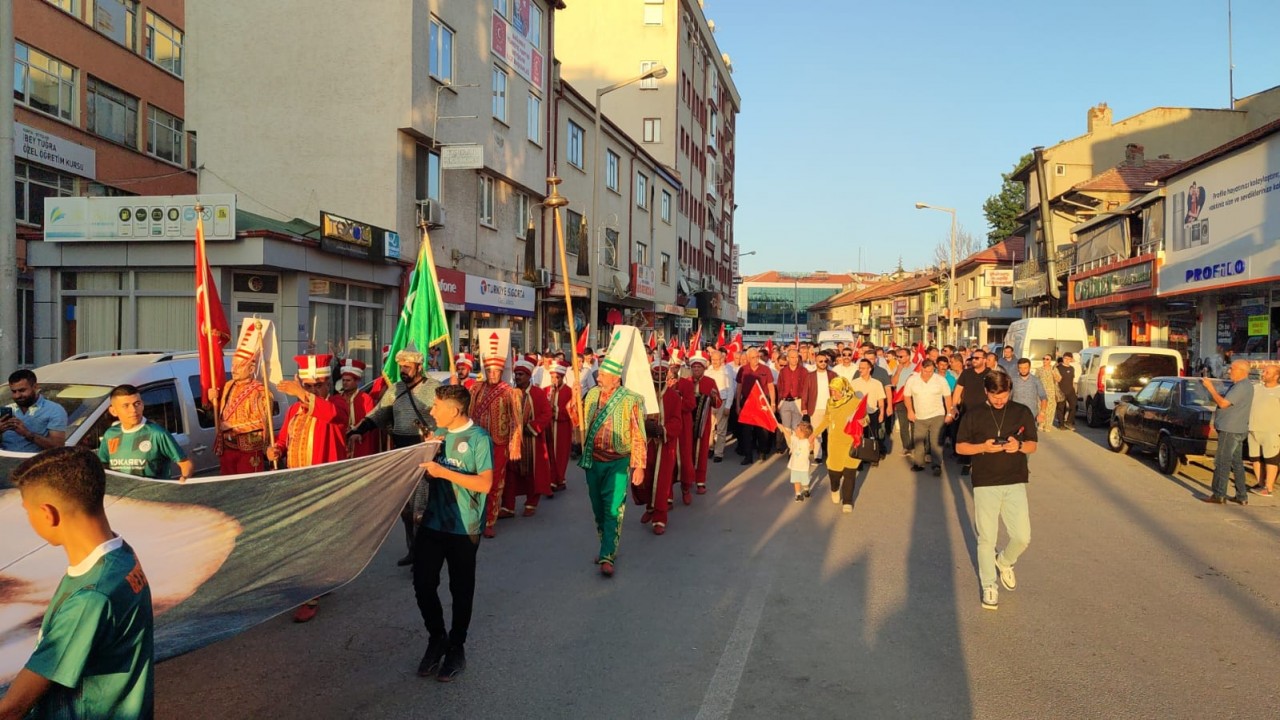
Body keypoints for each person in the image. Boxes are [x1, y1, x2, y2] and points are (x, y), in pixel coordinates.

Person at [0, 447, 154, 719]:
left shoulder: (90, 598)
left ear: (48, 514)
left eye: (27, 511)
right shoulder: (121, 553)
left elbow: (13, 708)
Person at [413, 384, 494, 683]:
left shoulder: (479, 439)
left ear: (455, 410)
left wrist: (444, 471)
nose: (431, 410)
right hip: (432, 523)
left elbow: (485, 484)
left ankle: (456, 647)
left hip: (464, 528)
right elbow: (426, 474)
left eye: (437, 406)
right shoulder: (439, 435)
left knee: (460, 590)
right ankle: (437, 638)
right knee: (423, 584)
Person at [268, 355, 348, 622]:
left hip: (324, 485)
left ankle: (310, 596)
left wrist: (301, 393)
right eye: (308, 386)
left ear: (329, 385)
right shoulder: (294, 410)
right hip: (297, 484)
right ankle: (320, 581)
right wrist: (276, 449)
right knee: (303, 538)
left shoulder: (337, 404)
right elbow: (284, 439)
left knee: (313, 539)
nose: (313, 390)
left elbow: (332, 416)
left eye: (319, 385)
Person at [349, 345, 440, 566]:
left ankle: (424, 556)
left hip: (424, 452)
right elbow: (379, 414)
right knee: (406, 509)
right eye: (401, 366)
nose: (403, 370)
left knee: (420, 508)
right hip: (401, 453)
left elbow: (446, 418)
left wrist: (438, 435)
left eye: (407, 366)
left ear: (419, 366)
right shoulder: (396, 390)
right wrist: (359, 430)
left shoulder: (434, 389)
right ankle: (413, 550)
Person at [955, 370, 1038, 611]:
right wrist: (982, 447)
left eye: (1003, 396)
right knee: (987, 539)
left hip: (1015, 480)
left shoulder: (1022, 412)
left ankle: (1004, 561)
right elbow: (960, 447)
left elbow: (1033, 445)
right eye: (994, 396)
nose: (999, 400)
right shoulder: (974, 414)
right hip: (985, 482)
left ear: (1009, 391)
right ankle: (989, 585)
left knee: (1022, 537)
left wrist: (1018, 445)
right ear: (986, 392)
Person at [574, 338, 647, 577]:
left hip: (618, 462)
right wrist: (574, 400)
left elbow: (638, 435)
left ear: (616, 378)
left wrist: (639, 466)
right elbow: (579, 425)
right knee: (598, 508)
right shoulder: (592, 395)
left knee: (613, 508)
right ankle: (606, 546)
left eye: (603, 375)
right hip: (593, 461)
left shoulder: (631, 399)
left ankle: (607, 555)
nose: (599, 377)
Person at [469, 330, 522, 538]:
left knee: (494, 482)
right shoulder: (476, 389)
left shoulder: (509, 392)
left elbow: (516, 420)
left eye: (496, 371)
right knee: (475, 480)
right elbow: (467, 411)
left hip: (499, 443)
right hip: (477, 442)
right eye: (489, 371)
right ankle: (474, 517)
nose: (493, 374)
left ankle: (490, 520)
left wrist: (514, 444)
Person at [97, 384, 193, 481]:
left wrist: (184, 478)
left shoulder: (157, 433)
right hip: (122, 490)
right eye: (126, 406)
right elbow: (102, 465)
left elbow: (186, 464)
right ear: (113, 411)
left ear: (142, 405)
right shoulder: (111, 434)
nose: (133, 410)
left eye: (137, 404)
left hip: (152, 490)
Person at [1200, 360, 1254, 505]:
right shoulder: (1243, 385)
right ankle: (1241, 495)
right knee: (1236, 462)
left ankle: (1219, 494)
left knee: (1222, 461)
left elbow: (1223, 403)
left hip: (1230, 429)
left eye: (1232, 369)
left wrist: (1211, 388)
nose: (1229, 371)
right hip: (1237, 428)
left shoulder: (1241, 386)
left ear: (1241, 371)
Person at [503, 359, 552, 517]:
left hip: (532, 441)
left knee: (532, 473)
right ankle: (508, 506)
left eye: (521, 374)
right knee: (511, 472)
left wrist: (531, 427)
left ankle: (531, 503)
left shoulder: (538, 393)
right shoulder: (510, 393)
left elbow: (547, 414)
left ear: (529, 376)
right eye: (516, 374)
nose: (517, 377)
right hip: (513, 440)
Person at [636, 360, 681, 535]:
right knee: (645, 479)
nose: (659, 377)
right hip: (645, 443)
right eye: (656, 374)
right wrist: (644, 424)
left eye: (663, 374)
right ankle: (650, 507)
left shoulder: (673, 396)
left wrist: (662, 429)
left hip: (665, 445)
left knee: (662, 481)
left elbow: (677, 421)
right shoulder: (642, 395)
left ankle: (660, 518)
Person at [811, 376, 863, 513]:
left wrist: (863, 421)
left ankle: (847, 501)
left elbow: (865, 419)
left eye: (835, 390)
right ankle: (834, 488)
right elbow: (826, 419)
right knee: (834, 473)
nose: (833, 393)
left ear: (843, 390)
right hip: (835, 443)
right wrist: (814, 434)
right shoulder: (830, 402)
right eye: (831, 390)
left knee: (850, 473)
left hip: (852, 442)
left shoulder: (855, 402)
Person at [215, 352, 272, 474]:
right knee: (227, 483)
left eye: (239, 366)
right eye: (232, 365)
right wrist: (213, 399)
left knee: (247, 483)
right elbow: (222, 413)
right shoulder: (228, 386)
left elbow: (262, 421)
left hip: (249, 448)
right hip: (227, 447)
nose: (233, 369)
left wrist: (233, 426)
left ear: (251, 369)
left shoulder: (260, 391)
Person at [903, 359, 952, 476]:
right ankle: (919, 463)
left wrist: (949, 413)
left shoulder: (940, 380)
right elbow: (907, 396)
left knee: (936, 441)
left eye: (931, 371)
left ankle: (936, 465)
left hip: (937, 415)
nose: (928, 374)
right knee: (919, 440)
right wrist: (910, 410)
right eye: (926, 371)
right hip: (919, 416)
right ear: (921, 368)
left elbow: (947, 397)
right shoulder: (912, 380)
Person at [1, 369, 68, 453]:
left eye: (22, 390)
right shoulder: (8, 409)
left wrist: (27, 433)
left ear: (35, 387)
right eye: (14, 391)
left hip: (35, 460)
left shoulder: (54, 410)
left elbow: (58, 448)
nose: (17, 395)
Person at [952, 349, 992, 476]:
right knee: (968, 438)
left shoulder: (990, 374)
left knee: (982, 437)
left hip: (985, 412)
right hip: (967, 411)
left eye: (977, 358)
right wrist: (954, 406)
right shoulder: (966, 373)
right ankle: (967, 463)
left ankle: (981, 463)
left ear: (984, 360)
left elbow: (994, 391)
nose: (974, 360)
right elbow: (958, 390)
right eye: (973, 357)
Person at [735, 348, 776, 464]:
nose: (756, 359)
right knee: (746, 431)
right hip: (747, 402)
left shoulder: (765, 369)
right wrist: (737, 404)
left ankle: (762, 451)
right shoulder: (743, 369)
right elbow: (739, 387)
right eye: (753, 358)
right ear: (748, 358)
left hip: (761, 402)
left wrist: (772, 403)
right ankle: (748, 456)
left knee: (762, 429)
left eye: (757, 357)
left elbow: (771, 386)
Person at [331, 358, 378, 458]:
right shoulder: (335, 400)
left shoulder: (367, 399)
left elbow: (370, 423)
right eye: (343, 380)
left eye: (348, 380)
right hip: (341, 445)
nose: (345, 383)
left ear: (357, 381)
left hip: (360, 444)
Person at [1248, 364, 1280, 497]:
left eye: (1267, 372)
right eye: (1264, 371)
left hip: (1272, 431)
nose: (1263, 374)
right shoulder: (1256, 388)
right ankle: (1260, 483)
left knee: (1271, 459)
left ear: (1276, 376)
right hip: (1253, 429)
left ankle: (1269, 487)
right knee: (1255, 458)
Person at [545, 360, 574, 492]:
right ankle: (550, 479)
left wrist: (553, 410)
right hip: (549, 427)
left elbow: (570, 411)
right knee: (549, 453)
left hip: (562, 428)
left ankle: (559, 479)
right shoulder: (546, 390)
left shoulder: (569, 392)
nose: (554, 380)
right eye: (552, 377)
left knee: (560, 455)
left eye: (557, 377)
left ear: (562, 377)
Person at [704, 347, 736, 463]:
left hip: (722, 402)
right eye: (713, 359)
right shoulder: (707, 372)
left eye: (717, 359)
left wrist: (728, 406)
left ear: (721, 359)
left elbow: (731, 390)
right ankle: (710, 448)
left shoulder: (727, 372)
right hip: (710, 403)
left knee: (721, 430)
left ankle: (719, 453)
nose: (715, 362)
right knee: (709, 428)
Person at [806, 350, 837, 462]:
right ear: (816, 362)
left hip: (830, 409)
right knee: (816, 433)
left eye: (825, 361)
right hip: (815, 408)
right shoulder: (810, 376)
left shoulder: (833, 375)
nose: (823, 363)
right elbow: (805, 392)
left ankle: (832, 454)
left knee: (832, 433)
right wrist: (804, 407)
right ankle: (817, 456)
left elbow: (838, 391)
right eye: (821, 361)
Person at [775, 347, 812, 440]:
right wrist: (779, 403)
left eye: (796, 357)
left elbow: (806, 389)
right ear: (787, 358)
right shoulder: (783, 371)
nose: (794, 360)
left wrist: (804, 405)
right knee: (786, 428)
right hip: (785, 402)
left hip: (798, 401)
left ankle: (795, 447)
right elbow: (780, 387)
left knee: (797, 428)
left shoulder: (803, 371)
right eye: (792, 357)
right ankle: (789, 446)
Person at [1009, 358, 1048, 431]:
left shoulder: (1036, 380)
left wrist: (1042, 412)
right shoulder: (1012, 380)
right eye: (1020, 368)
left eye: (1025, 368)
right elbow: (1007, 396)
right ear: (1018, 368)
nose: (1023, 370)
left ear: (1029, 367)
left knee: (1030, 436)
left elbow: (1043, 397)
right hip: (1016, 414)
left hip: (1032, 414)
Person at [780, 420, 815, 502]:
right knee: (796, 481)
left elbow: (811, 448)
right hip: (795, 466)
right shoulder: (795, 439)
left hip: (803, 467)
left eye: (797, 429)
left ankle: (806, 488)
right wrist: (782, 428)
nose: (795, 430)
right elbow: (788, 435)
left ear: (802, 433)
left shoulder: (807, 442)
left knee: (804, 481)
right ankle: (798, 494)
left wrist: (812, 443)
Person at [890, 347, 915, 457]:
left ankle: (915, 446)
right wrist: (898, 371)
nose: (899, 359)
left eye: (901, 356)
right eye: (897, 357)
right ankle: (906, 447)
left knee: (914, 423)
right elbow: (893, 383)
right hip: (900, 399)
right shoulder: (897, 368)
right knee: (903, 424)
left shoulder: (916, 368)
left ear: (908, 357)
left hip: (913, 398)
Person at [1034, 355, 1062, 434]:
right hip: (1041, 391)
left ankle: (1048, 425)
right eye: (1044, 359)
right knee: (1041, 408)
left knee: (1050, 409)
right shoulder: (1039, 369)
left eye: (1047, 359)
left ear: (1050, 361)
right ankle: (1041, 424)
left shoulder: (1054, 369)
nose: (1045, 360)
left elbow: (1059, 379)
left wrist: (1053, 373)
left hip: (1051, 392)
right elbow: (1036, 380)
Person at [1054, 353, 1077, 430]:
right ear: (1063, 358)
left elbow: (1072, 379)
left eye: (1069, 359)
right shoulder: (1058, 367)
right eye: (1065, 358)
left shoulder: (1072, 368)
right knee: (1061, 408)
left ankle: (1069, 422)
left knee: (1074, 406)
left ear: (1071, 360)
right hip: (1061, 390)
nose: (1067, 360)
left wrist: (1074, 389)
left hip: (1070, 390)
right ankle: (1061, 424)